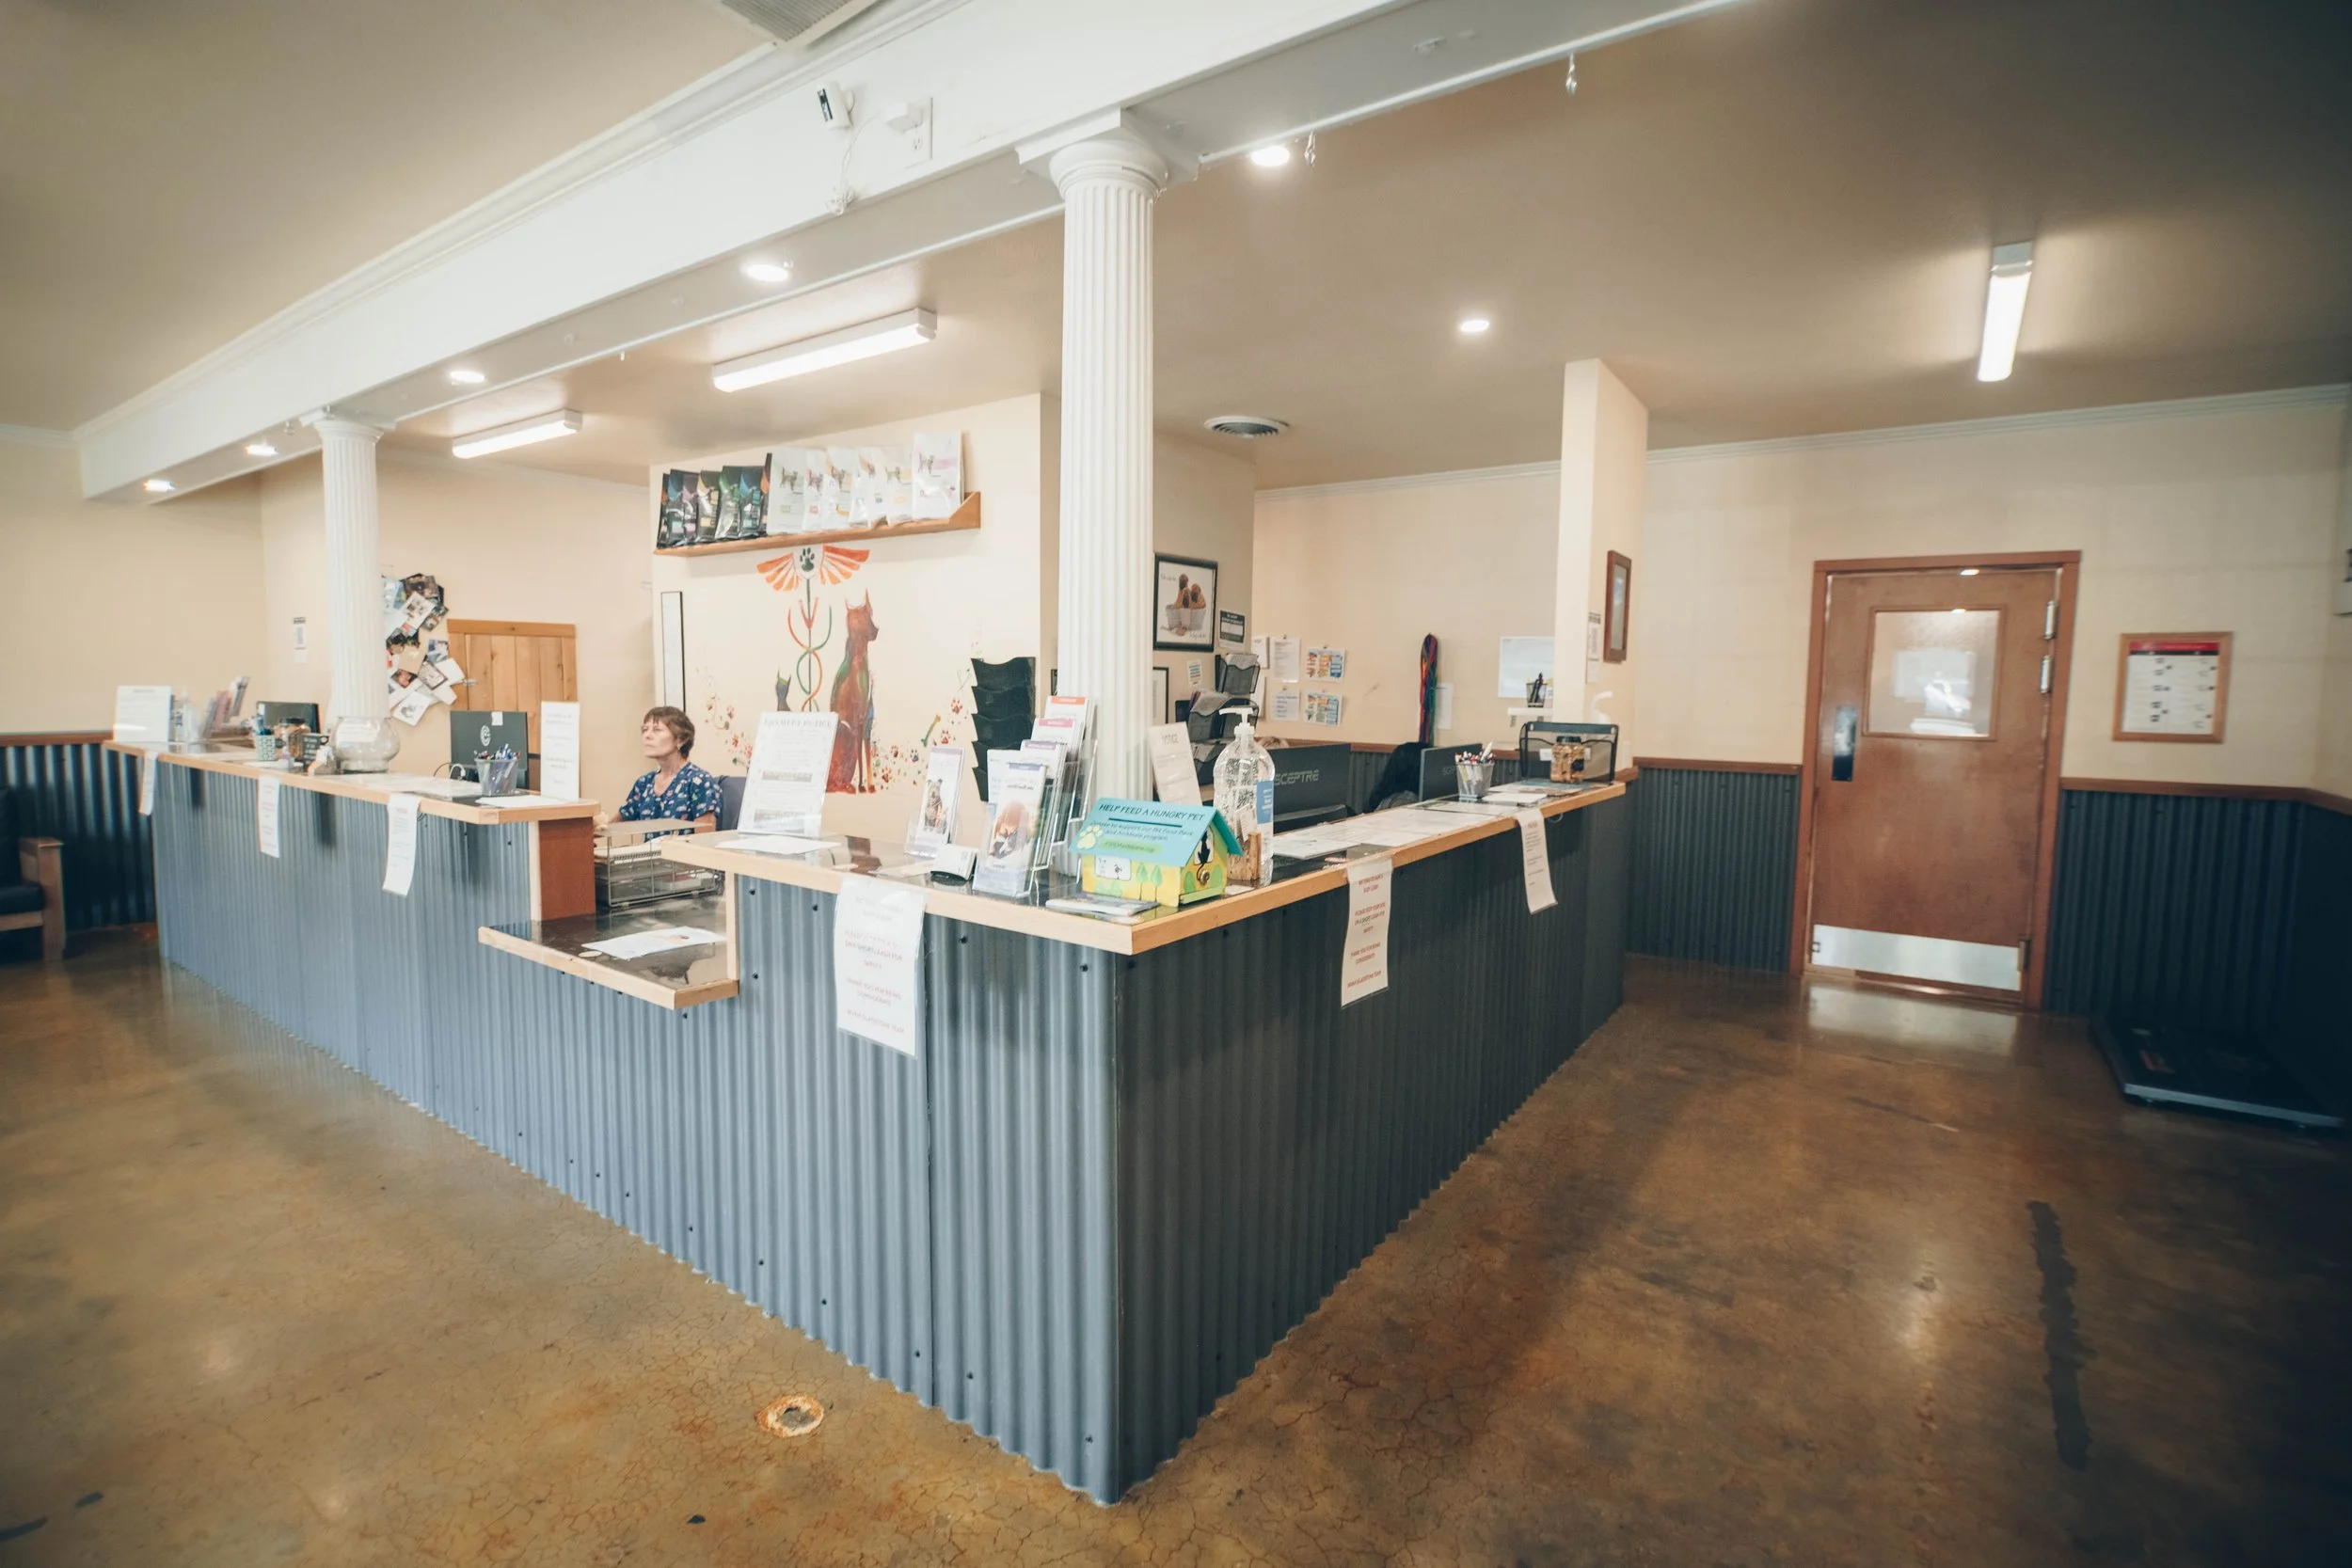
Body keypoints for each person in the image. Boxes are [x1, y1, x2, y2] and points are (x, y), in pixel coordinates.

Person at [617, 706, 722, 837]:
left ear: (681, 740)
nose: (647, 735)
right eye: (645, 729)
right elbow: (619, 822)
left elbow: (705, 840)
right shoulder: (644, 783)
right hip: (649, 856)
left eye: (657, 730)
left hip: (684, 856)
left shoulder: (699, 781)